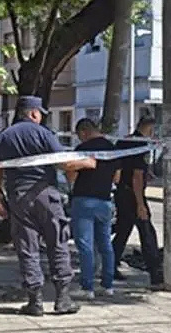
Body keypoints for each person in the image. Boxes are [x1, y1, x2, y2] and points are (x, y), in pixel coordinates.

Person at [0, 96, 96, 316]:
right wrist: (87, 162)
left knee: (27, 248)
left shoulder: (3, 138)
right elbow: (63, 162)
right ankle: (62, 298)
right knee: (57, 242)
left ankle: (34, 301)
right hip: (46, 195)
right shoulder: (43, 134)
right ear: (34, 113)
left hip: (18, 197)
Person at [68, 118, 121, 300]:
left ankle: (88, 287)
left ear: (83, 132)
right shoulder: (113, 150)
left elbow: (72, 176)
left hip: (83, 200)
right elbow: (117, 178)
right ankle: (108, 285)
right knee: (106, 245)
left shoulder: (83, 149)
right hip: (105, 201)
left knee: (85, 246)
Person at [112, 115, 162, 287]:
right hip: (133, 194)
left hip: (121, 192)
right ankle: (156, 272)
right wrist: (140, 204)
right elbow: (137, 177)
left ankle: (110, 265)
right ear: (150, 128)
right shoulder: (141, 145)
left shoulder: (123, 142)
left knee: (123, 230)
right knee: (147, 231)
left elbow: (119, 172)